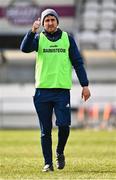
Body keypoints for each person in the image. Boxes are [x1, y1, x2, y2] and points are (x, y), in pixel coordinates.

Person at [20, 8, 91, 172]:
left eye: (52, 20)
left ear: (57, 22)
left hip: (61, 92)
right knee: (45, 131)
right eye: (47, 20)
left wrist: (85, 85)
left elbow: (78, 63)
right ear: (43, 23)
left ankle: (59, 152)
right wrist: (32, 31)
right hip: (42, 92)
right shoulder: (38, 38)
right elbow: (24, 48)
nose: (50, 23)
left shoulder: (68, 39)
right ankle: (48, 163)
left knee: (64, 126)